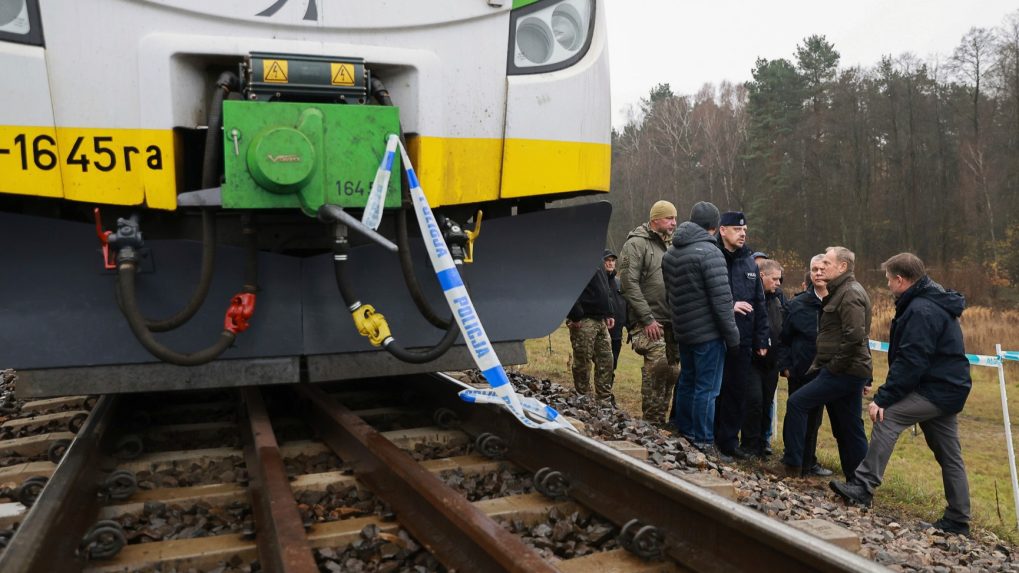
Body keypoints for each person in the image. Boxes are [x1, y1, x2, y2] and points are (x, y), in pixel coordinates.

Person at [830, 253, 972, 536]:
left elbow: (912, 360)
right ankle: (958, 519)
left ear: (900, 279)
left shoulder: (921, 310)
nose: (887, 286)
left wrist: (883, 397)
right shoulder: (928, 301)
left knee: (887, 417)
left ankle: (862, 486)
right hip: (947, 387)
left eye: (888, 280)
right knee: (950, 454)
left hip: (937, 388)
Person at [781, 246, 872, 478]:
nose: (822, 268)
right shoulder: (840, 290)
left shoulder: (850, 293)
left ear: (842, 267)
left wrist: (832, 366)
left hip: (844, 371)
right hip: (846, 369)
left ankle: (792, 466)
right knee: (848, 427)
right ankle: (858, 482)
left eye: (828, 263)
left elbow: (855, 336)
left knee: (798, 403)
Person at [662, 201, 739, 455]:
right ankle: (704, 441)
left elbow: (669, 296)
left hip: (683, 330)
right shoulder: (710, 253)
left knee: (687, 382)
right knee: (707, 388)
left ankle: (684, 431)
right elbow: (721, 301)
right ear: (714, 226)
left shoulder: (671, 253)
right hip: (708, 333)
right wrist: (733, 336)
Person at [619, 200, 680, 425]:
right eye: (669, 218)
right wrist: (647, 318)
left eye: (675, 218)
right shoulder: (636, 244)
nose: (674, 223)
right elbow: (628, 283)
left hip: (671, 321)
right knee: (658, 367)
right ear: (655, 219)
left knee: (673, 372)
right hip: (647, 321)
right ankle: (651, 423)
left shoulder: (673, 245)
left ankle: (661, 423)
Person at [715, 211, 768, 459]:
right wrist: (730, 306)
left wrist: (761, 338)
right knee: (716, 389)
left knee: (737, 392)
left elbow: (759, 301)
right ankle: (708, 437)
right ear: (722, 230)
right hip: (716, 336)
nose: (743, 233)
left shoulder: (749, 261)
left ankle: (728, 442)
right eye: (737, 229)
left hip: (744, 339)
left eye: (745, 230)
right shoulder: (713, 256)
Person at [779, 256, 834, 477]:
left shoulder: (839, 301)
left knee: (815, 420)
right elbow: (784, 338)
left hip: (829, 372)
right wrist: (785, 365)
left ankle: (809, 462)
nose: (818, 273)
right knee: (796, 416)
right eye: (814, 269)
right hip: (801, 370)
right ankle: (792, 460)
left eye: (822, 269)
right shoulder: (797, 304)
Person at [740, 258, 785, 457]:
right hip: (752, 361)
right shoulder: (749, 297)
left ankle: (762, 443)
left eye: (780, 279)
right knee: (754, 402)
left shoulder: (777, 299)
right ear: (762, 276)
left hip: (772, 362)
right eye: (774, 279)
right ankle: (748, 444)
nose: (778, 283)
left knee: (767, 402)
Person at [566, 261, 616, 405]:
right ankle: (584, 399)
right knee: (583, 361)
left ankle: (604, 400)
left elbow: (605, 287)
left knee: (606, 360)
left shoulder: (597, 256)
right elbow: (569, 286)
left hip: (601, 319)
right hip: (584, 319)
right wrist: (575, 314)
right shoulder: (577, 257)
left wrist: (609, 311)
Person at [603, 249, 628, 371]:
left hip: (616, 333)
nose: (610, 263)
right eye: (607, 260)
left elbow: (626, 305)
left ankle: (608, 388)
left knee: (613, 363)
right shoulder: (595, 281)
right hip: (599, 331)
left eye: (613, 261)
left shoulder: (619, 283)